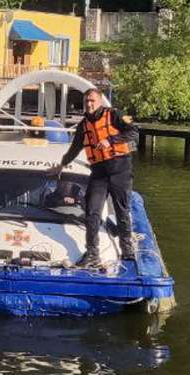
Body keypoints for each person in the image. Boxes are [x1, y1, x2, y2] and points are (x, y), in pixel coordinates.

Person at [48, 88, 139, 267]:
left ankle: (127, 251)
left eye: (92, 101)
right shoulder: (83, 125)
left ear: (99, 102)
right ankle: (92, 252)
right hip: (99, 173)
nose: (89, 104)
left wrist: (111, 140)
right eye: (86, 101)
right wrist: (61, 164)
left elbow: (134, 132)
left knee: (122, 210)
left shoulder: (114, 115)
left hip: (120, 169)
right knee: (92, 211)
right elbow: (74, 148)